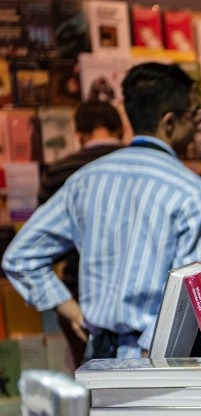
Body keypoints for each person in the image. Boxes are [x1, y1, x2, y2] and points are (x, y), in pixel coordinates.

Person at [2, 62, 201, 361]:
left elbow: (20, 256)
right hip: (157, 358)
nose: (197, 124)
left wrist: (69, 308)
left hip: (98, 354)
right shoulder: (194, 191)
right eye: (195, 114)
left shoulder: (85, 179)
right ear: (169, 121)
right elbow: (183, 298)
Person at [37, 100, 124, 367]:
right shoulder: (142, 165)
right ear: (120, 129)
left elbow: (45, 240)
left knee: (90, 375)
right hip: (136, 284)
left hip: (80, 286)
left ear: (79, 133)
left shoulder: (59, 170)